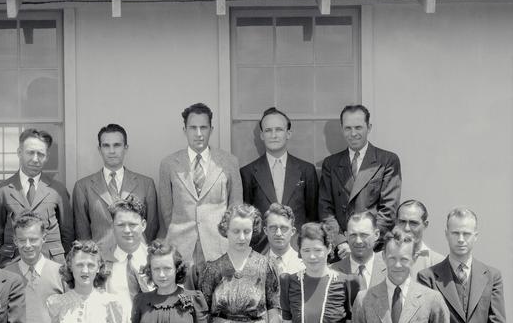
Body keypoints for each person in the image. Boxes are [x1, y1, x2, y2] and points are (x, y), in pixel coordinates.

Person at [156, 102, 242, 265]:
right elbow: (166, 212)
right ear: (184, 130)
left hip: (218, 248)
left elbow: (235, 207)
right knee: (182, 292)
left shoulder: (229, 162)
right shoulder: (169, 164)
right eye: (193, 128)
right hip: (180, 249)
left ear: (211, 129)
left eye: (203, 127)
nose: (198, 133)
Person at [318, 104, 402, 256]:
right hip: (341, 250)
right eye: (348, 128)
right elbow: (325, 209)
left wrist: (363, 242)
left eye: (358, 127)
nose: (353, 133)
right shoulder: (331, 164)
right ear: (342, 129)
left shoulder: (387, 160)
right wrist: (341, 241)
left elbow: (388, 210)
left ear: (369, 128)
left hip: (375, 248)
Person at [240, 108, 319, 251]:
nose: (274, 135)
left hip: (298, 251)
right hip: (262, 251)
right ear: (262, 135)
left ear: (288, 133)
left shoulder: (306, 170)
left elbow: (312, 216)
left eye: (279, 130)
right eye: (268, 130)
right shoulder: (248, 172)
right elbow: (247, 220)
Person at [73, 123, 161, 249]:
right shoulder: (83, 187)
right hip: (100, 261)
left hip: (136, 260)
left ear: (126, 148)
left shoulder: (146, 184)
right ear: (99, 149)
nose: (112, 151)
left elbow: (151, 227)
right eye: (106, 146)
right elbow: (82, 233)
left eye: (117, 145)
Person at [0, 128, 75, 265]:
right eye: (30, 153)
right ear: (19, 152)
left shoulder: (58, 190)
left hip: (51, 264)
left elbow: (68, 235)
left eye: (41, 154)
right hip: (13, 265)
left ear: (47, 157)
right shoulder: (2, 192)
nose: (35, 159)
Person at [393, 199, 444, 277]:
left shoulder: (439, 263)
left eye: (413, 223)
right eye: (402, 222)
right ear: (396, 222)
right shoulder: (379, 259)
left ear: (425, 225)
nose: (407, 228)